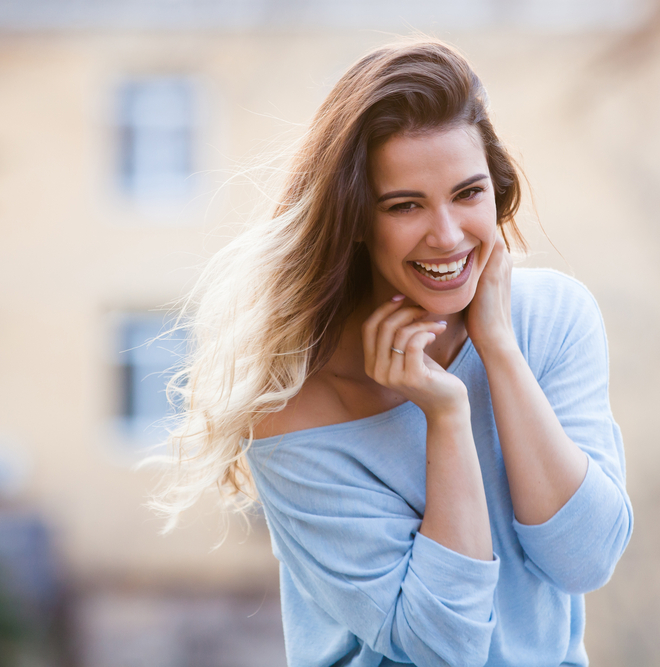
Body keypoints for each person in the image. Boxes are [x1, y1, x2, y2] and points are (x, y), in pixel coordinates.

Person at [153, 39, 632, 667]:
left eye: (468, 193)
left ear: (498, 189)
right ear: (354, 217)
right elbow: (441, 647)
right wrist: (446, 416)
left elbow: (586, 559)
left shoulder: (554, 320)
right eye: (405, 205)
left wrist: (501, 352)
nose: (448, 234)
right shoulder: (294, 407)